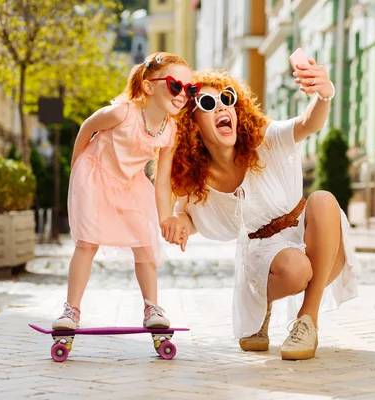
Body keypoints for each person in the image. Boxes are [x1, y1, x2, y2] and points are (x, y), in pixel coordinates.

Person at [162, 60, 358, 360]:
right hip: (262, 250)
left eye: (227, 99)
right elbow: (187, 216)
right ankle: (259, 306)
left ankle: (307, 321)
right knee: (297, 269)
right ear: (192, 122)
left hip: (308, 231)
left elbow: (309, 123)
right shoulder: (197, 179)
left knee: (324, 200)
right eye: (208, 103)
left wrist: (324, 94)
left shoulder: (264, 139)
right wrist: (177, 223)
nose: (222, 107)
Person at [52, 52, 196, 330]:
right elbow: (86, 128)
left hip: (130, 184)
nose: (182, 95)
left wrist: (165, 218)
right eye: (175, 85)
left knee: (145, 244)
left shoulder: (171, 129)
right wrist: (76, 171)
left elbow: (162, 180)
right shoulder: (122, 112)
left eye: (189, 89)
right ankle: (71, 310)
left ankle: (151, 307)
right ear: (149, 86)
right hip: (94, 176)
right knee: (87, 243)